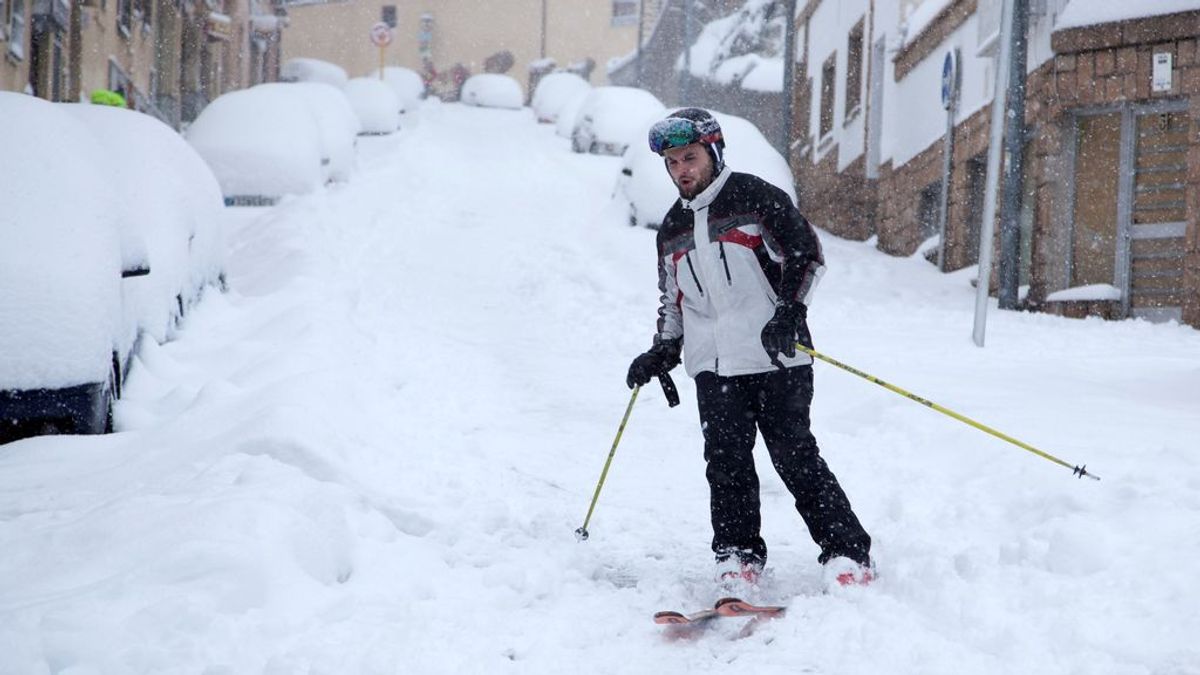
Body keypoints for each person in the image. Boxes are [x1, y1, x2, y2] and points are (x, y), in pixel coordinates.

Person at [626, 108, 874, 589]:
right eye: (673, 162)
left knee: (794, 455)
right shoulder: (672, 228)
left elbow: (805, 255)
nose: (682, 169)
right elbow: (673, 300)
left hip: (775, 354)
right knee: (726, 462)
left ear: (714, 153)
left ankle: (847, 554)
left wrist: (789, 312)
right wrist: (664, 349)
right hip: (714, 367)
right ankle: (737, 556)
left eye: (690, 157)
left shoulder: (756, 198)